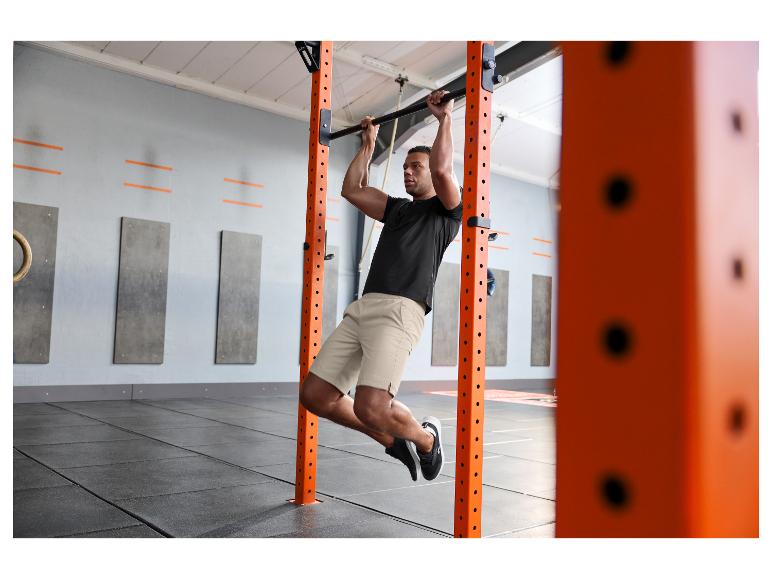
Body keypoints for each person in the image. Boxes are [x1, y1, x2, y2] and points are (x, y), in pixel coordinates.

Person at [299, 89, 462, 482]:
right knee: (316, 396)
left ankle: (426, 441)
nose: (408, 172)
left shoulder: (447, 211)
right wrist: (369, 145)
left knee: (372, 405)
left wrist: (444, 120)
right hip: (364, 308)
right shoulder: (398, 210)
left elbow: (443, 172)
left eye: (416, 166)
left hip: (400, 311)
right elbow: (352, 189)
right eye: (405, 166)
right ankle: (392, 442)